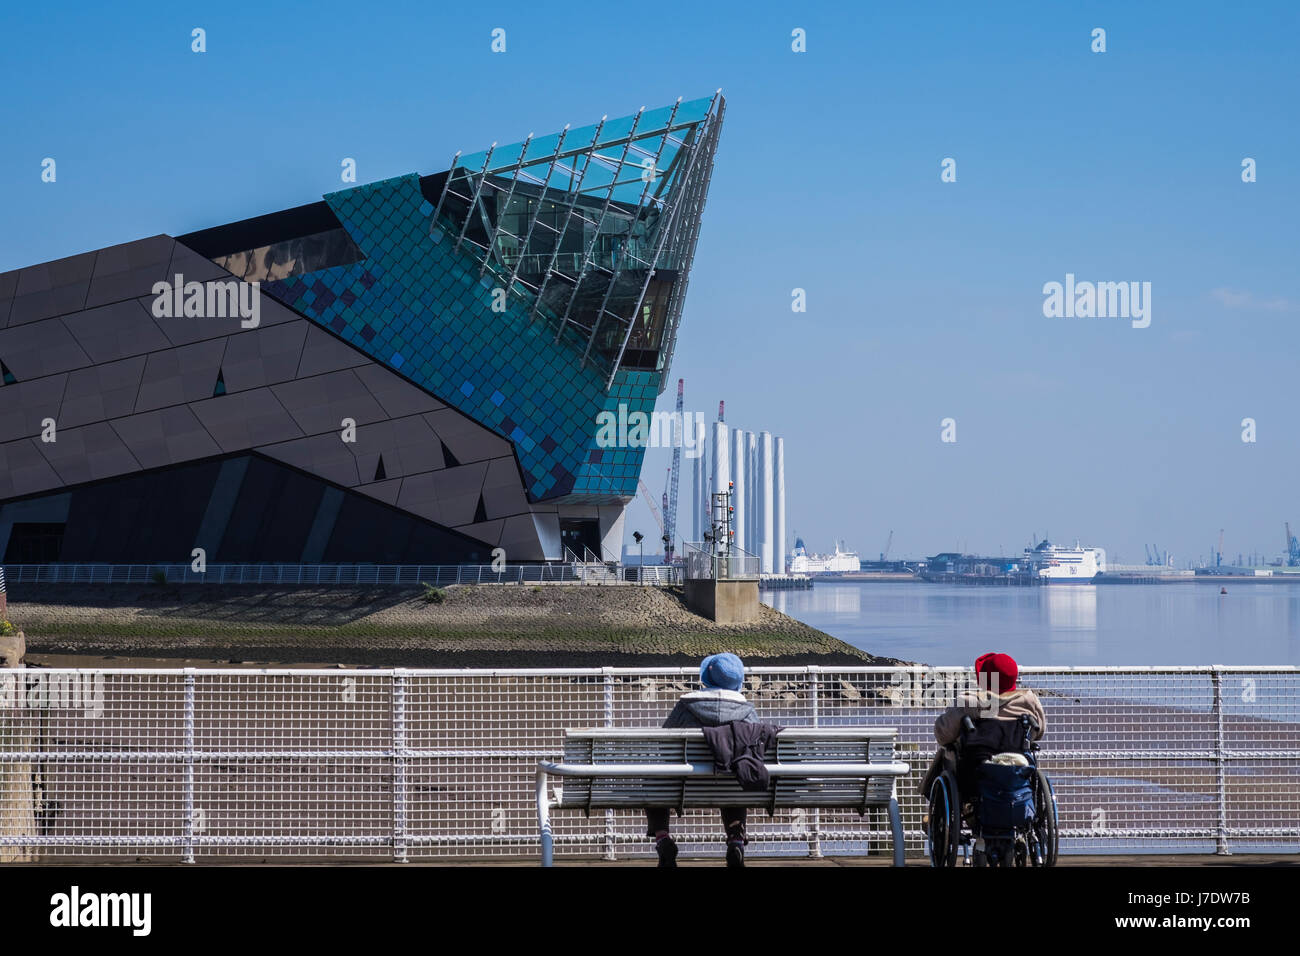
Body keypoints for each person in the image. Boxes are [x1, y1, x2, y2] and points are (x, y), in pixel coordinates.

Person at [646, 652, 756, 868]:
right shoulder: (747, 711)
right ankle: (735, 840)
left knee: (653, 775)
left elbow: (664, 744)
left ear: (707, 679)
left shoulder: (685, 706)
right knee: (737, 771)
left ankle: (663, 839)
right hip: (729, 784)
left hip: (685, 785)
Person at [920, 651, 1046, 801]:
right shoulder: (1028, 702)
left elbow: (943, 735)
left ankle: (936, 803)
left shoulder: (969, 703)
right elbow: (1038, 732)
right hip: (1017, 770)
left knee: (946, 753)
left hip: (975, 774)